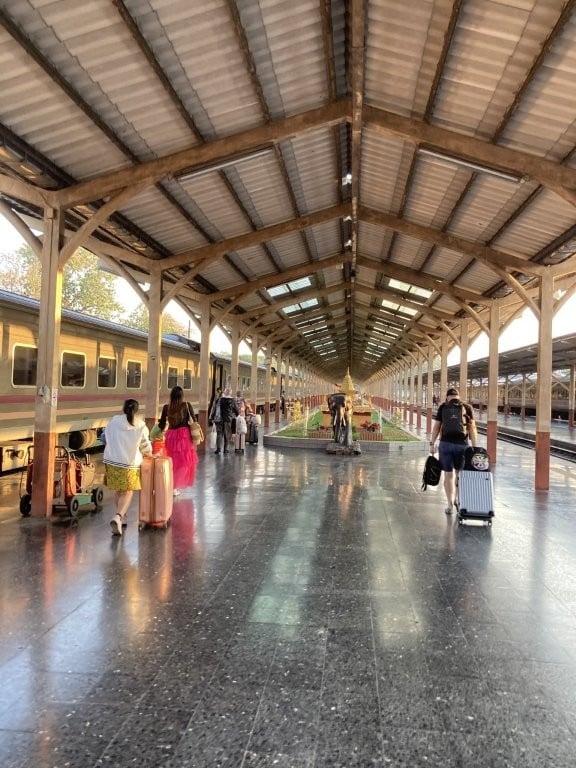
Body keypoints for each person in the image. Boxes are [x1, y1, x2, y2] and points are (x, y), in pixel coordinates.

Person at [103, 398, 152, 536]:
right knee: (128, 491)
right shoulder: (141, 425)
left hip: (112, 460)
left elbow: (105, 437)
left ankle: (122, 517)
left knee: (119, 490)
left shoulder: (114, 421)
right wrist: (150, 453)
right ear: (136, 410)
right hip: (129, 463)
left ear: (123, 408)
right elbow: (145, 446)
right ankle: (118, 516)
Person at [429, 387, 477, 515]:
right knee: (460, 475)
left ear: (447, 397)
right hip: (462, 445)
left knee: (448, 476)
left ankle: (450, 504)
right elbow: (472, 429)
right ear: (458, 396)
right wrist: (475, 447)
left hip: (445, 445)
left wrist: (432, 444)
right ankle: (458, 501)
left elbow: (436, 428)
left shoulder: (443, 407)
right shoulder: (467, 407)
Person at [158, 385, 199, 496]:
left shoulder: (166, 407)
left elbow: (161, 423)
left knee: (173, 462)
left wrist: (157, 433)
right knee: (184, 462)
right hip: (184, 436)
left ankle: (172, 485)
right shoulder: (186, 405)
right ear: (182, 395)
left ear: (171, 395)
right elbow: (194, 420)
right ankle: (176, 485)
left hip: (171, 436)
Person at [213, 387, 238, 454]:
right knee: (227, 434)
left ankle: (218, 449)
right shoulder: (232, 400)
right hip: (227, 420)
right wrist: (236, 414)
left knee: (219, 434)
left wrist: (212, 417)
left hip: (218, 419)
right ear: (230, 393)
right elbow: (236, 411)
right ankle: (225, 449)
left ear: (224, 392)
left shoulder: (219, 400)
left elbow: (214, 409)